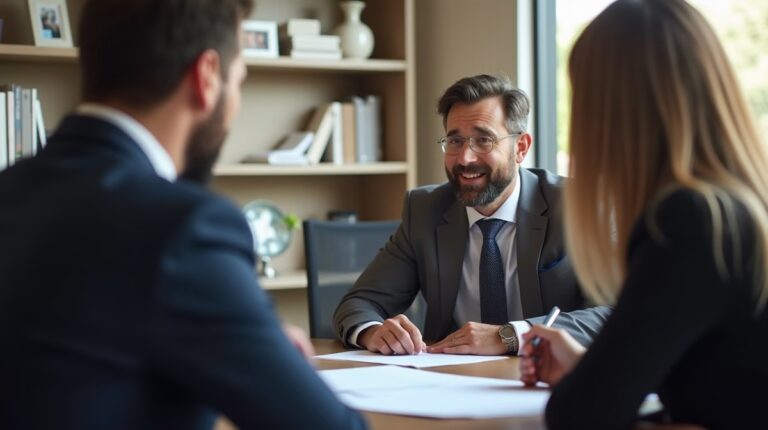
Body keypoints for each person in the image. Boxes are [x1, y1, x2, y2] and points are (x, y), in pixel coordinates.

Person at [0, 1, 366, 429]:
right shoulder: (185, 227)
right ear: (207, 76)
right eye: (239, 81)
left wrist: (242, 337)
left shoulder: (11, 189)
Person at [518, 0, 768, 429]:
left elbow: (578, 418)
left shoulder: (688, 223)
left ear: (609, 112)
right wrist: (588, 369)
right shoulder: (740, 205)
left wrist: (591, 386)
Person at [334, 74, 611, 356]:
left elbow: (615, 312)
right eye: (455, 141)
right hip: (451, 382)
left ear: (521, 148)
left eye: (483, 140)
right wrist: (373, 332)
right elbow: (359, 303)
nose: (465, 158)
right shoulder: (425, 210)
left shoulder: (577, 206)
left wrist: (511, 336)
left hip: (544, 380)